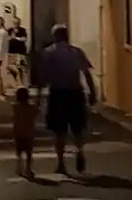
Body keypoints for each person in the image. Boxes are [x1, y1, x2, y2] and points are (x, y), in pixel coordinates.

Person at [35, 24, 97, 176]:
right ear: (67, 35)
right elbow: (86, 73)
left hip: (57, 93)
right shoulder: (76, 52)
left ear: (54, 36)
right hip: (75, 93)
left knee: (59, 131)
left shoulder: (48, 53)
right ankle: (80, 151)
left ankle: (61, 162)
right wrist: (92, 92)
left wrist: (38, 98)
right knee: (78, 128)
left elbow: (42, 77)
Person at [12, 86, 37, 177]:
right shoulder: (31, 107)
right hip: (29, 133)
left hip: (18, 132)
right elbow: (36, 113)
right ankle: (28, 168)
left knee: (19, 152)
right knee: (29, 153)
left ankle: (19, 167)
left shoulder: (15, 107)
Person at [6, 15, 30, 90]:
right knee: (11, 68)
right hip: (11, 52)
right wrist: (10, 38)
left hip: (20, 52)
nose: (15, 24)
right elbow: (6, 38)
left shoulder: (22, 30)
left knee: (20, 68)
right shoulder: (9, 30)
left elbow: (24, 39)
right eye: (14, 23)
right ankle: (16, 82)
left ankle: (22, 84)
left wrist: (16, 38)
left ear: (19, 23)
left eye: (17, 23)